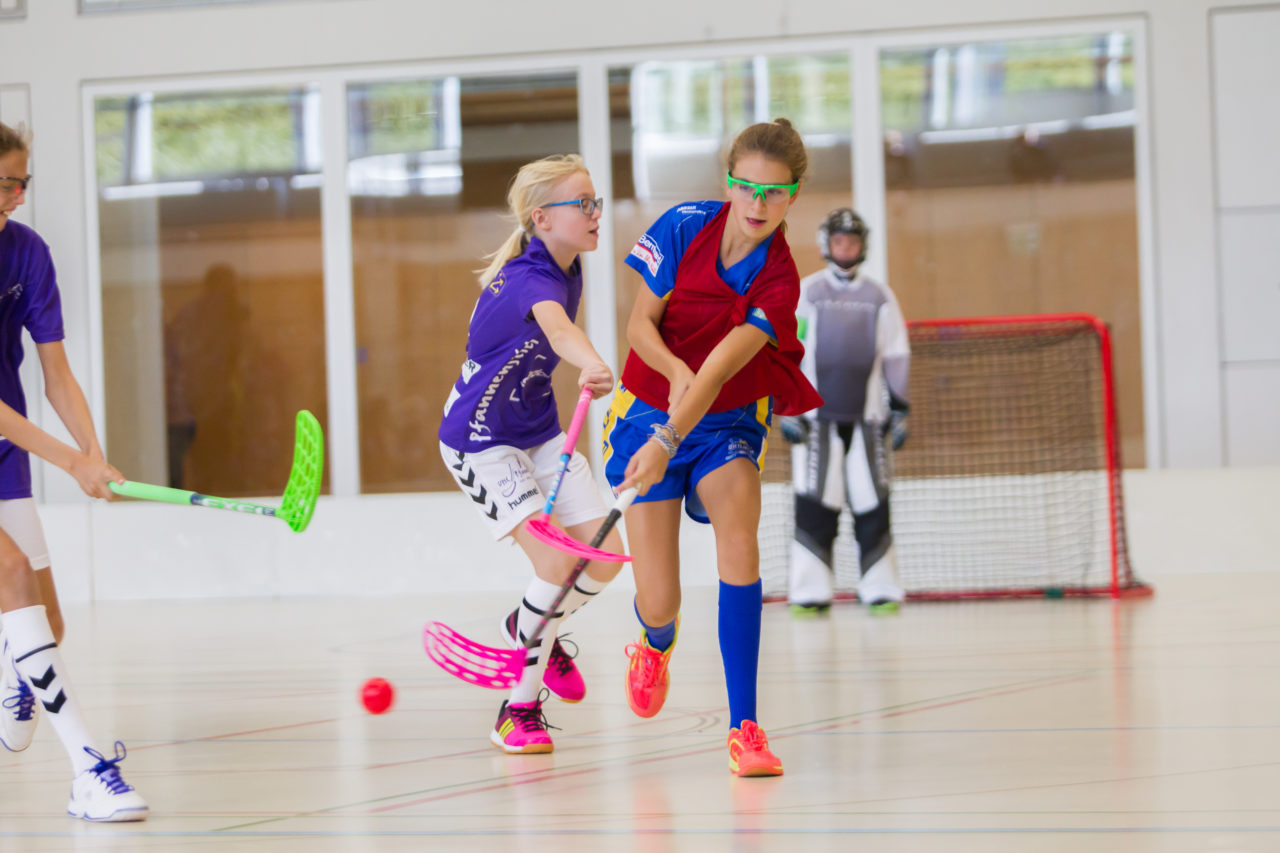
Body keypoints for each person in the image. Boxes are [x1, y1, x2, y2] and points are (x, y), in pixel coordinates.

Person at [604, 119, 822, 778]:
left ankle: (745, 726)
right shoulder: (681, 225)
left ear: (793, 195)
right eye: (746, 188)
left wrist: (674, 435)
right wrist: (671, 378)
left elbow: (721, 370)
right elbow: (638, 324)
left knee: (739, 530)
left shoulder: (780, 282)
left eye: (774, 193)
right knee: (660, 598)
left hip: (725, 417)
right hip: (647, 406)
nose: (757, 206)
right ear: (728, 182)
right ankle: (656, 640)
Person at [438, 154, 626, 755]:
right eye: (584, 204)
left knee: (605, 556)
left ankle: (528, 630)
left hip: (540, 433)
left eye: (596, 202)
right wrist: (591, 361)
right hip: (482, 442)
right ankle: (515, 710)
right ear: (542, 218)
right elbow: (557, 330)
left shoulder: (567, 266)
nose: (596, 213)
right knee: (551, 565)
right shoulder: (531, 277)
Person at [0, 121, 148, 821]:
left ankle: (16, 670)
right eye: (3, 181)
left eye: (20, 181)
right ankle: (89, 769)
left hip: (4, 454)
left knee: (47, 621)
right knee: (12, 575)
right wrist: (67, 461)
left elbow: (55, 372)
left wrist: (96, 453)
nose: (15, 196)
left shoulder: (27, 253)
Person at [780, 208, 911, 613]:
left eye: (852, 241)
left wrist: (901, 408)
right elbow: (788, 350)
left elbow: (897, 355)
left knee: (873, 501)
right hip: (814, 420)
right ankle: (810, 591)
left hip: (869, 420)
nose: (846, 248)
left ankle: (881, 588)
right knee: (815, 502)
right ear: (826, 244)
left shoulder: (879, 297)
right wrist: (786, 407)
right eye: (839, 241)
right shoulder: (807, 293)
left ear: (863, 246)